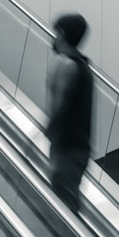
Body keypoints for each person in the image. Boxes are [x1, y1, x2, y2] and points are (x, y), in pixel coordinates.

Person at [45, 13, 94, 215]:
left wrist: (38, 138)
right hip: (78, 149)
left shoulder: (68, 66)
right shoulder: (83, 67)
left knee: (64, 208)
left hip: (67, 150)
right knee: (67, 201)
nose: (53, 38)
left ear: (62, 35)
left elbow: (60, 108)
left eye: (55, 33)